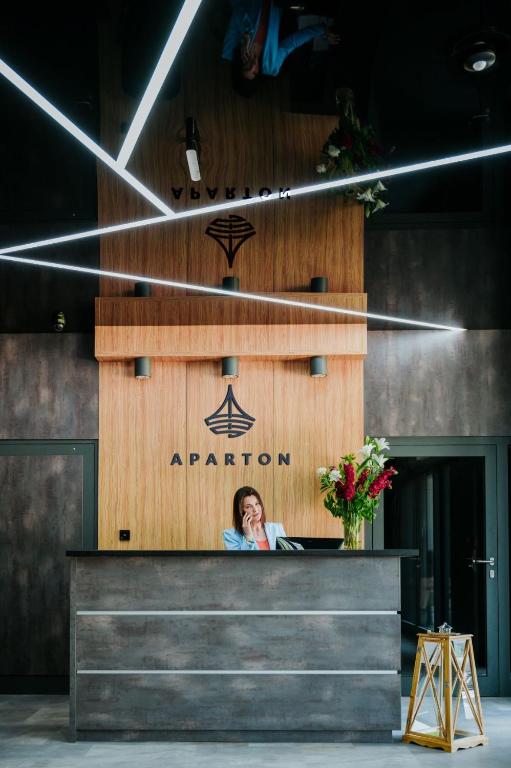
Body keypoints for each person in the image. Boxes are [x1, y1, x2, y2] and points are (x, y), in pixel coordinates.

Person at [222, 0, 339, 94]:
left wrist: (246, 34)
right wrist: (321, 30)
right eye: (255, 72)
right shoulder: (271, 66)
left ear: (239, 65)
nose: (253, 66)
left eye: (247, 67)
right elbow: (292, 43)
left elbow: (237, 11)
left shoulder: (230, 49)